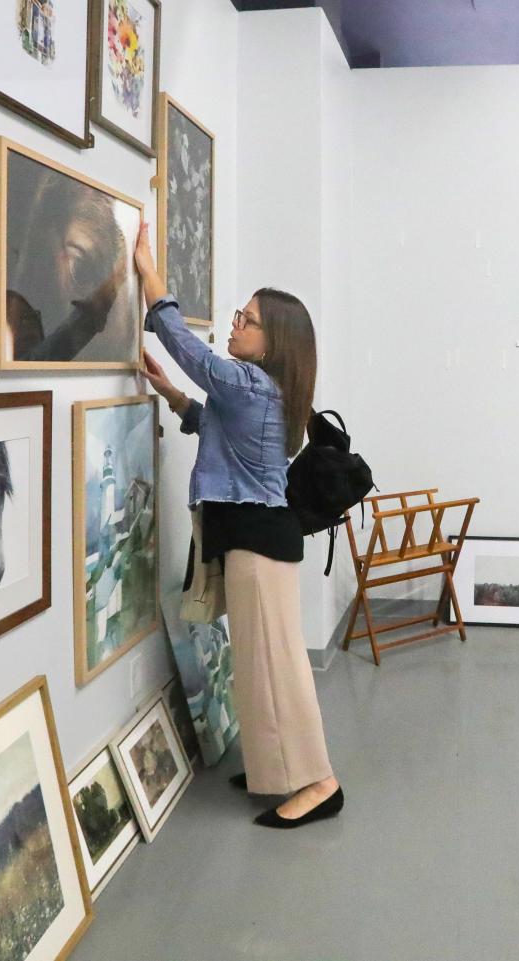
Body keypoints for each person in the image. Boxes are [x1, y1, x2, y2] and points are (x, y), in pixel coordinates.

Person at [134, 222, 344, 829]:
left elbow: (191, 350)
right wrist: (172, 396)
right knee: (258, 664)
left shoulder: (251, 384)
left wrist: (151, 277)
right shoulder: (264, 393)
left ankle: (320, 782)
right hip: (259, 542)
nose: (234, 325)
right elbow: (213, 427)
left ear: (271, 342)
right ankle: (275, 773)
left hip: (259, 547)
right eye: (238, 314)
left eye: (246, 320)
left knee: (278, 666)